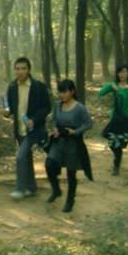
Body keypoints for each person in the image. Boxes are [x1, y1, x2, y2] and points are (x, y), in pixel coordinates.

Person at [3, 57, 51, 199]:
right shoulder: (12, 87)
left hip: (34, 129)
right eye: (17, 69)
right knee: (26, 157)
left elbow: (47, 107)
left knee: (20, 155)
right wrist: (7, 112)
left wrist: (34, 120)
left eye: (23, 68)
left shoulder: (39, 87)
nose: (20, 71)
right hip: (19, 129)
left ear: (29, 70)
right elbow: (11, 107)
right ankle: (31, 187)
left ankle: (20, 188)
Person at [45, 80, 93, 213]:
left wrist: (75, 131)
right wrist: (54, 129)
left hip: (73, 143)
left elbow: (88, 124)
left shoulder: (79, 108)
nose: (62, 95)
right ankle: (56, 190)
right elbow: (54, 120)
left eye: (65, 92)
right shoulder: (57, 105)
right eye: (60, 92)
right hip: (59, 141)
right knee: (49, 164)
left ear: (72, 91)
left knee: (71, 173)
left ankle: (70, 201)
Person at [99, 65, 128, 176]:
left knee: (120, 144)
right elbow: (101, 93)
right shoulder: (114, 85)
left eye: (125, 72)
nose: (122, 74)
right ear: (118, 74)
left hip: (126, 120)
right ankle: (116, 165)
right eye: (120, 72)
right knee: (112, 143)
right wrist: (111, 85)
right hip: (115, 119)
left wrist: (120, 90)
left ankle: (116, 165)